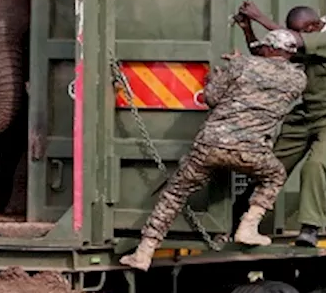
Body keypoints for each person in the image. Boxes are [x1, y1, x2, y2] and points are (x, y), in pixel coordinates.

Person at [120, 29, 308, 271]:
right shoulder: (297, 80)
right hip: (251, 151)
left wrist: (219, 74)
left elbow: (211, 98)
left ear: (270, 48)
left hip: (210, 145)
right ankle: (248, 226)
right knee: (275, 175)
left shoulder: (242, 65)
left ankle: (144, 252)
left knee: (175, 193)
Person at [235, 1, 326, 247]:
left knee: (316, 164)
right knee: (271, 167)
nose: (295, 37)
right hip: (305, 114)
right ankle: (242, 217)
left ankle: (310, 228)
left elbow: (290, 40)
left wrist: (260, 16)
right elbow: (269, 53)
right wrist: (247, 29)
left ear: (314, 26)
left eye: (299, 32)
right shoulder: (306, 37)